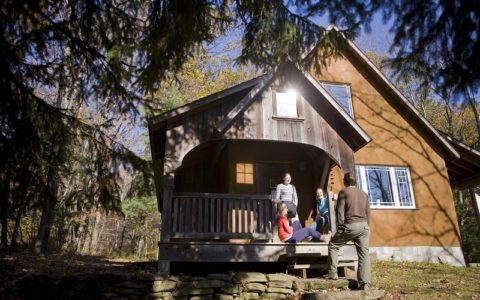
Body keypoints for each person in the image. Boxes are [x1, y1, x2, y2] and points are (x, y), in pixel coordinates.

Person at [325, 172, 371, 290]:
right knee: (364, 255)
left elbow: (340, 211)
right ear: (355, 182)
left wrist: (341, 226)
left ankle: (332, 273)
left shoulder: (344, 192)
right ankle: (365, 283)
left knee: (333, 245)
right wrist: (366, 226)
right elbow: (368, 213)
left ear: (345, 181)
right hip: (364, 226)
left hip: (350, 225)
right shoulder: (364, 194)